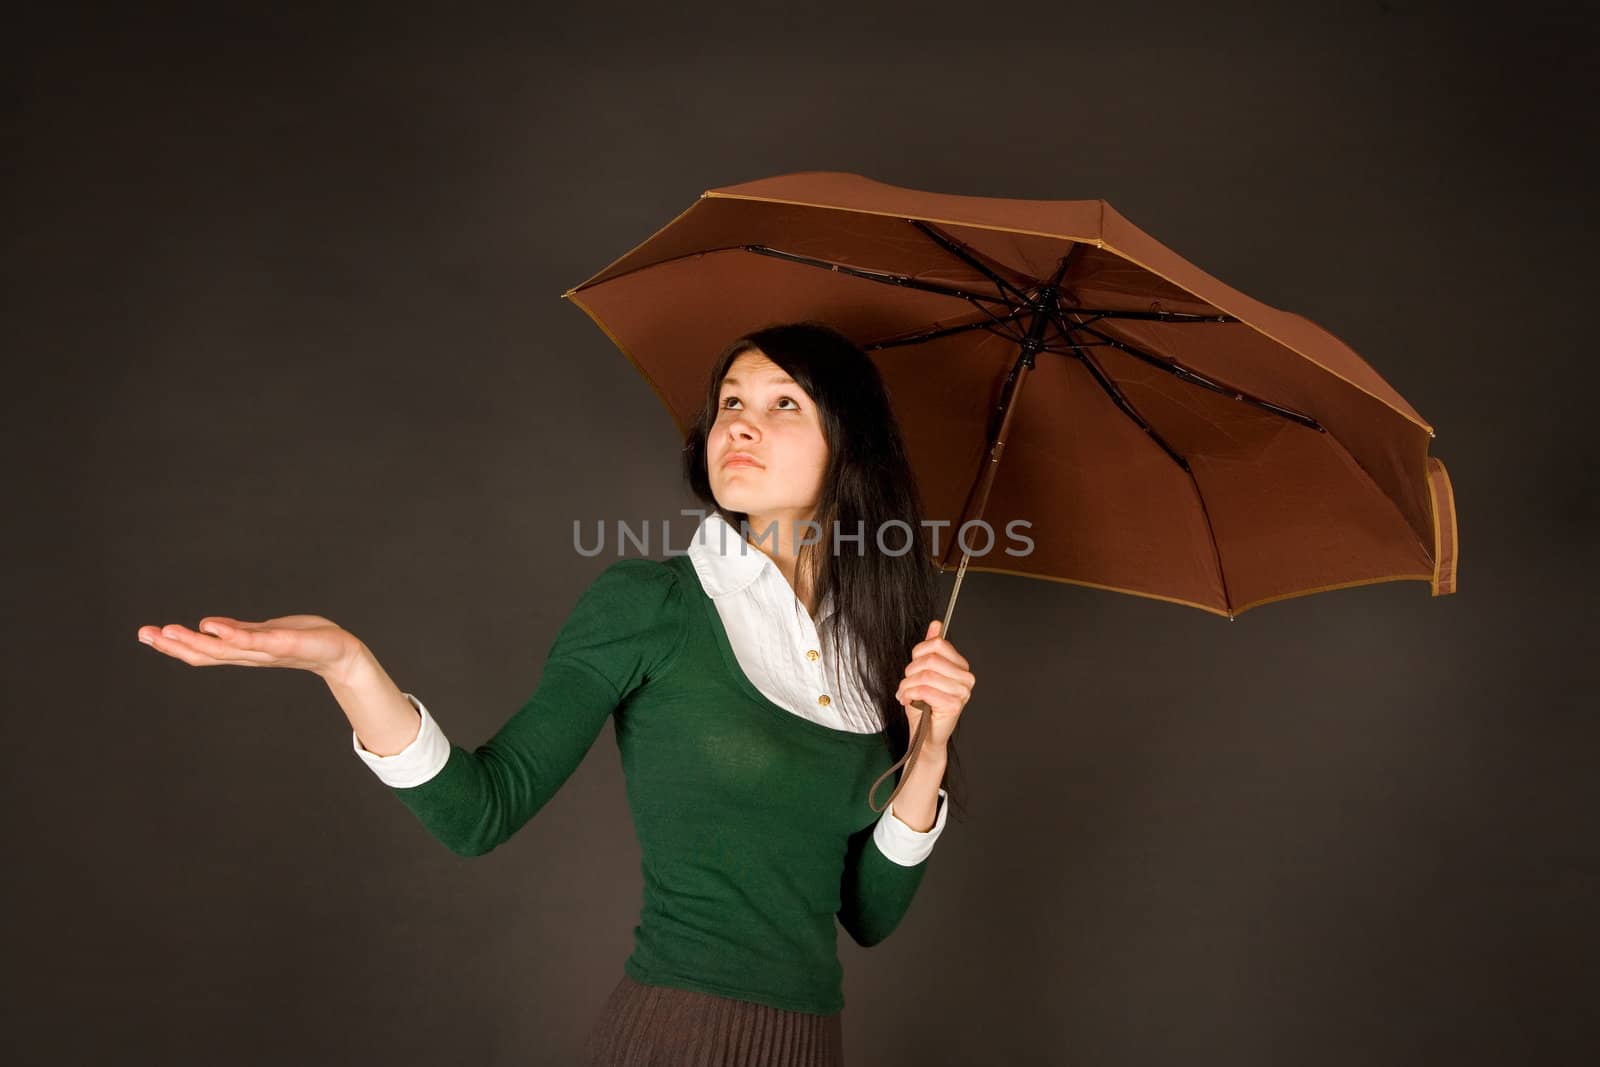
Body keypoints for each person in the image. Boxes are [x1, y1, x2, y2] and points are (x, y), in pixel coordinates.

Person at [136, 321, 977, 1066]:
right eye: (729, 401)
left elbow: (867, 915)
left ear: (850, 445)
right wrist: (348, 664)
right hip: (677, 1037)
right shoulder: (651, 603)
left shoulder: (875, 654)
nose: (740, 422)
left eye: (784, 403)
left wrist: (927, 754)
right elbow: (480, 810)